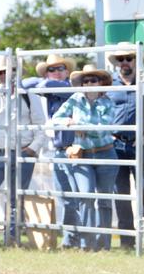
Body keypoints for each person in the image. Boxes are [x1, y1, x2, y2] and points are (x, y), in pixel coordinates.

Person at [0, 55, 46, 238]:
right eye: (1, 72)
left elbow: (41, 127)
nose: (4, 75)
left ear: (16, 72)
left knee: (16, 198)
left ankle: (12, 235)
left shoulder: (30, 97)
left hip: (23, 152)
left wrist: (32, 149)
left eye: (8, 71)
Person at [52, 64, 118, 251]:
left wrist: (77, 124)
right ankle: (87, 243)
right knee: (85, 196)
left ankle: (103, 244)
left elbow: (103, 128)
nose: (89, 83)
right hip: (83, 153)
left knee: (104, 199)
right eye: (86, 80)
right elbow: (56, 118)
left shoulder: (108, 102)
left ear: (100, 82)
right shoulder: (75, 99)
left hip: (105, 153)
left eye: (93, 80)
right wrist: (68, 122)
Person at [29, 53, 81, 249]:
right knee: (66, 197)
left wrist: (44, 81)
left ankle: (83, 238)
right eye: (51, 69)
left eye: (60, 68)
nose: (57, 72)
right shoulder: (48, 92)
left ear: (67, 71)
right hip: (59, 150)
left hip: (76, 149)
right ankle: (70, 239)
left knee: (79, 196)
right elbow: (29, 84)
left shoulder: (70, 89)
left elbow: (38, 86)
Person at [105, 43, 138, 250]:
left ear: (135, 59)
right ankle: (127, 241)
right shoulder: (109, 84)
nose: (124, 62)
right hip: (116, 143)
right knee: (121, 194)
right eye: (120, 59)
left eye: (128, 58)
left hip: (138, 143)